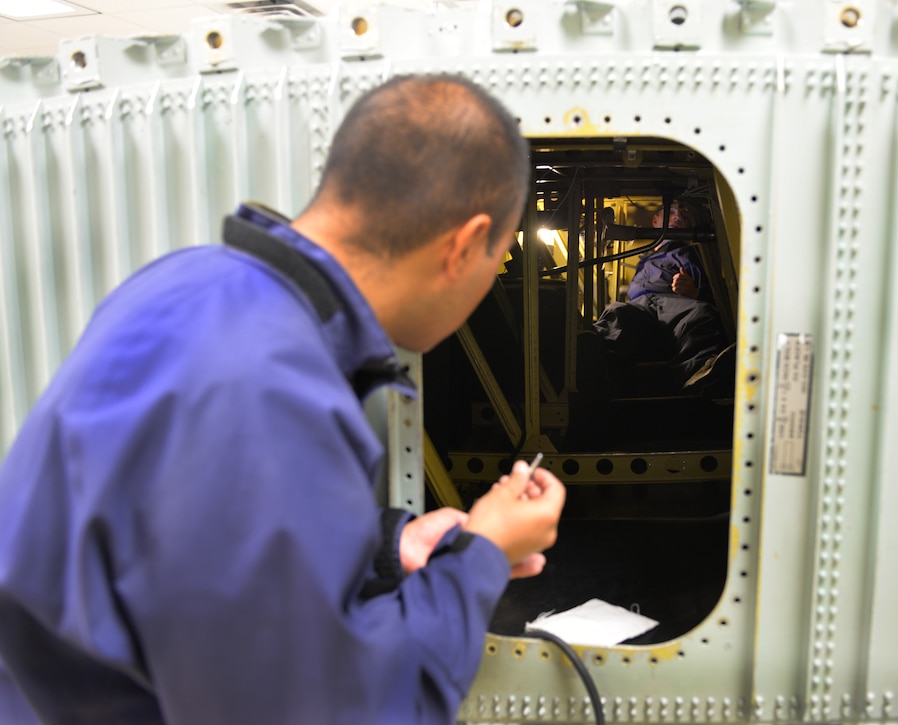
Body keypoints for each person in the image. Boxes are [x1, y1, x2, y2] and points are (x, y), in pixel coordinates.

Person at [0, 74, 565, 724]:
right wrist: (485, 553)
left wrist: (390, 546)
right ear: (463, 245)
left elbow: (183, 545)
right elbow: (343, 708)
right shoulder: (268, 387)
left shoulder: (186, 283)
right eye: (498, 261)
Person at [587, 200, 731, 396]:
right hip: (641, 307)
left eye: (685, 215)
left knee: (701, 313)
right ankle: (596, 365)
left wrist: (696, 293)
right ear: (655, 221)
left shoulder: (695, 252)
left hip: (675, 304)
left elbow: (718, 295)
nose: (678, 216)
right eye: (670, 212)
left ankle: (695, 374)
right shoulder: (644, 259)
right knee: (617, 311)